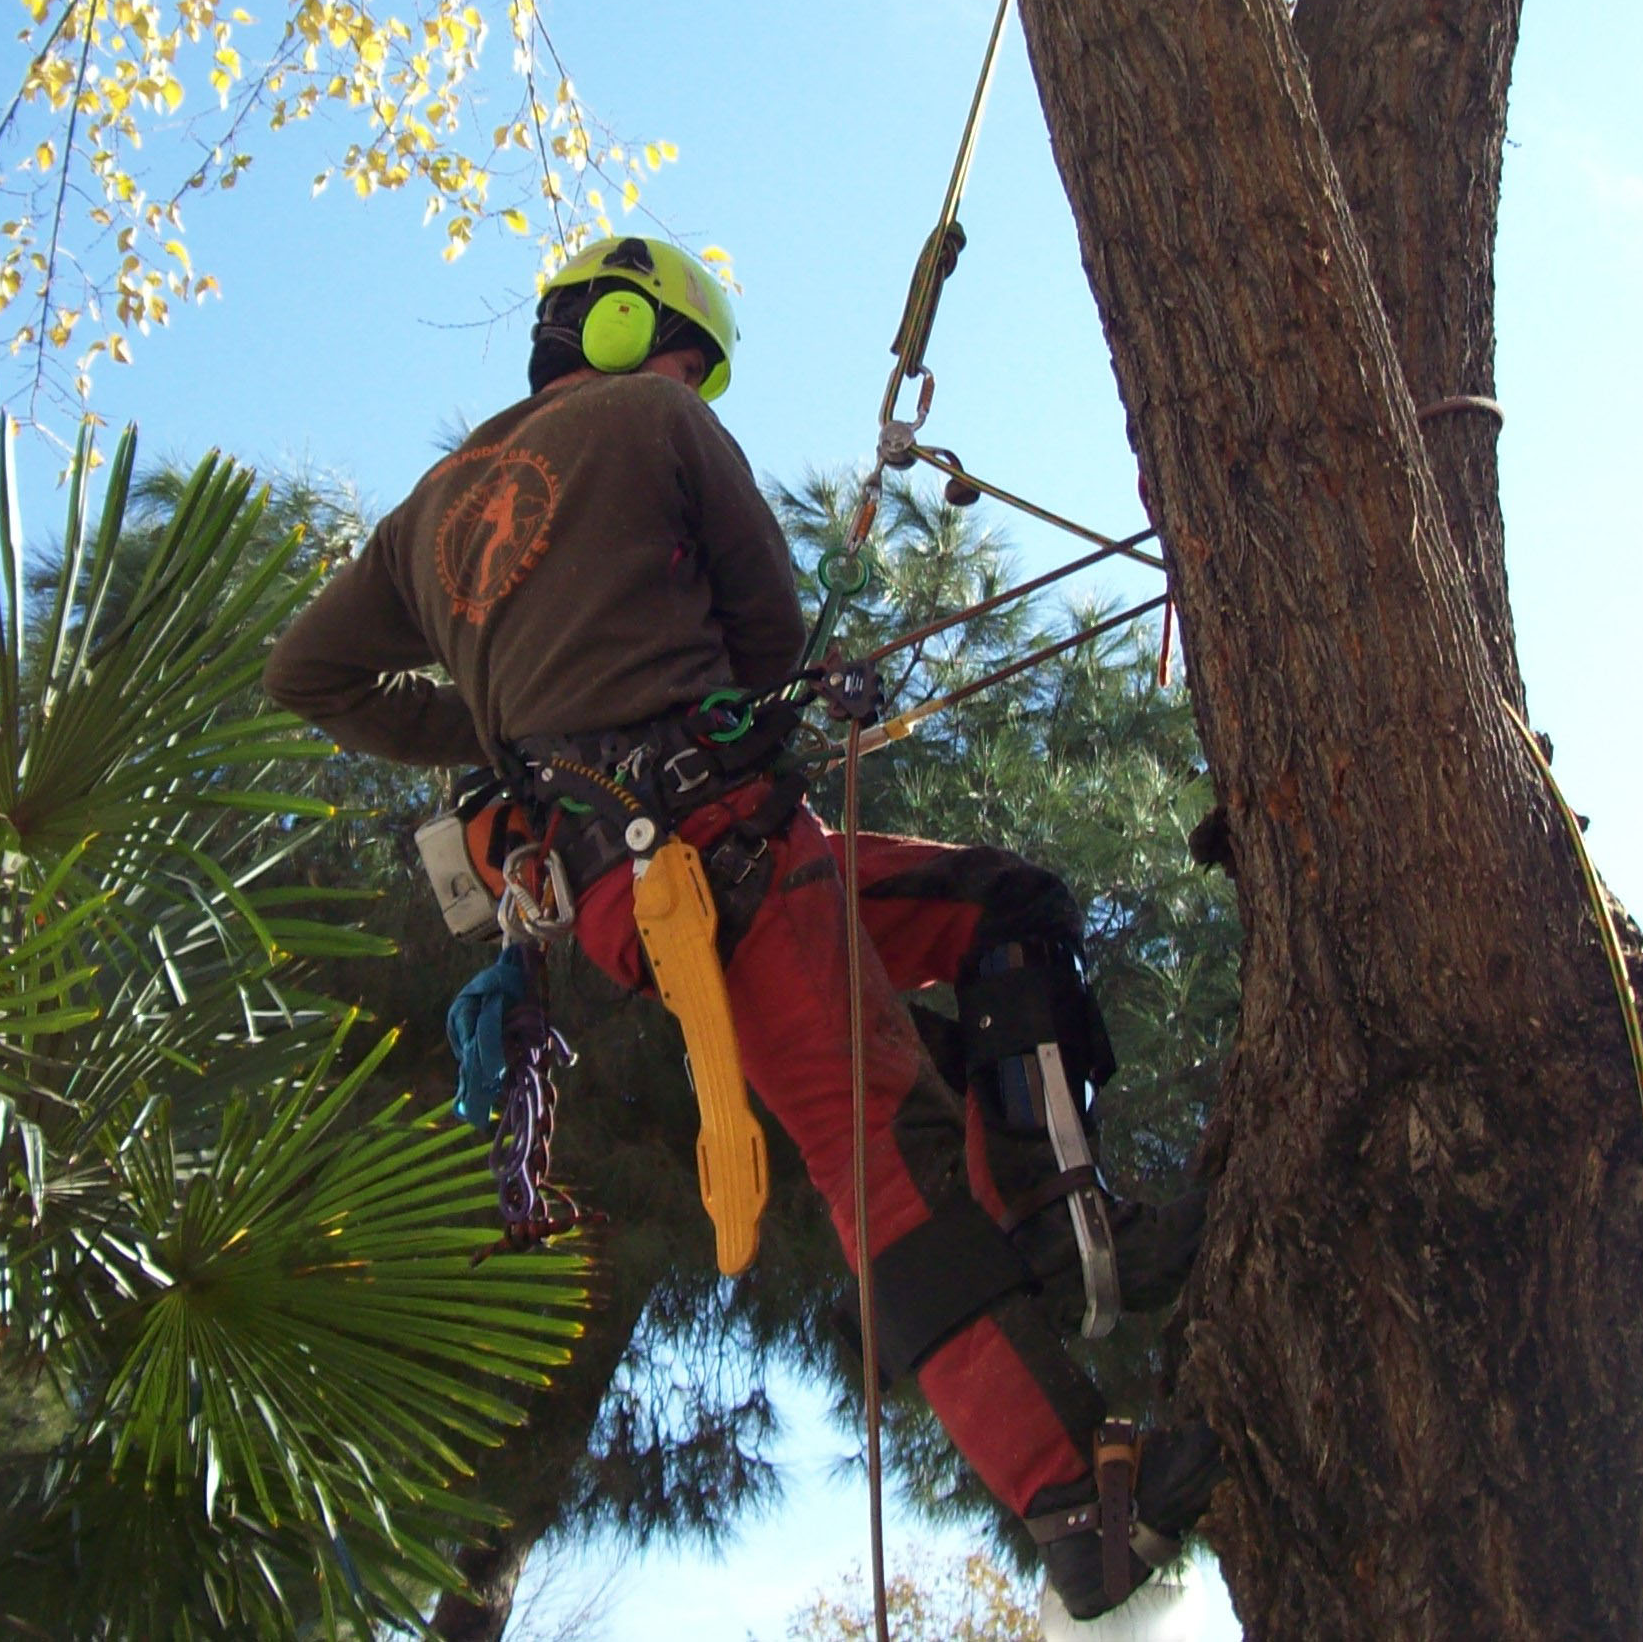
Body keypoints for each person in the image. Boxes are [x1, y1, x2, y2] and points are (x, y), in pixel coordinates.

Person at [261, 235, 1217, 1619]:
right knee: (880, 1150)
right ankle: (1073, 1495)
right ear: (628, 338)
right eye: (690, 355)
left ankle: (1076, 1229)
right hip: (715, 856)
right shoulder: (653, 420)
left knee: (1003, 909)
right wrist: (696, 695)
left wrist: (498, 727)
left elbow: (309, 673)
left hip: (660, 882)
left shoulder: (420, 524)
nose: (692, 382)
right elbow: (766, 635)